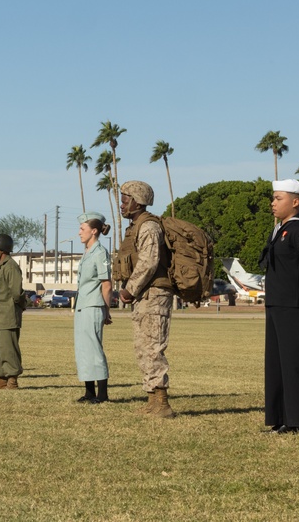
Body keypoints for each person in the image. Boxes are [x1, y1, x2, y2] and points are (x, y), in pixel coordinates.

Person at [259, 179, 299, 435]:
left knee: (294, 361)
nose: (272, 203)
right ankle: (284, 417)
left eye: (278, 198)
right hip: (277, 302)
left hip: (294, 304)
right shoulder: (280, 230)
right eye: (273, 198)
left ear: (295, 202)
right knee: (277, 363)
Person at [114, 180, 175, 419]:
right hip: (145, 295)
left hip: (154, 295)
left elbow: (148, 262)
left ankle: (162, 403)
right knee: (143, 347)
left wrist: (129, 289)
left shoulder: (149, 227)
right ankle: (152, 399)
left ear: (137, 202)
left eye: (125, 199)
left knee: (153, 347)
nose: (122, 204)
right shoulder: (137, 226)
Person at [74, 212, 113, 403]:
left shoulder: (100, 252)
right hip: (82, 305)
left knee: (94, 349)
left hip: (94, 306)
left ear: (94, 231)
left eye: (83, 229)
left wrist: (106, 310)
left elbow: (106, 284)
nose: (79, 232)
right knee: (83, 349)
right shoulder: (87, 253)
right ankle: (89, 391)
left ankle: (102, 394)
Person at [0, 234, 26, 390]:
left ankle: (12, 379)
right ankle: (2, 377)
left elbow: (16, 292)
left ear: (2, 249)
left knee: (8, 349)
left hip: (7, 315)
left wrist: (20, 306)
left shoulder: (10, 266)